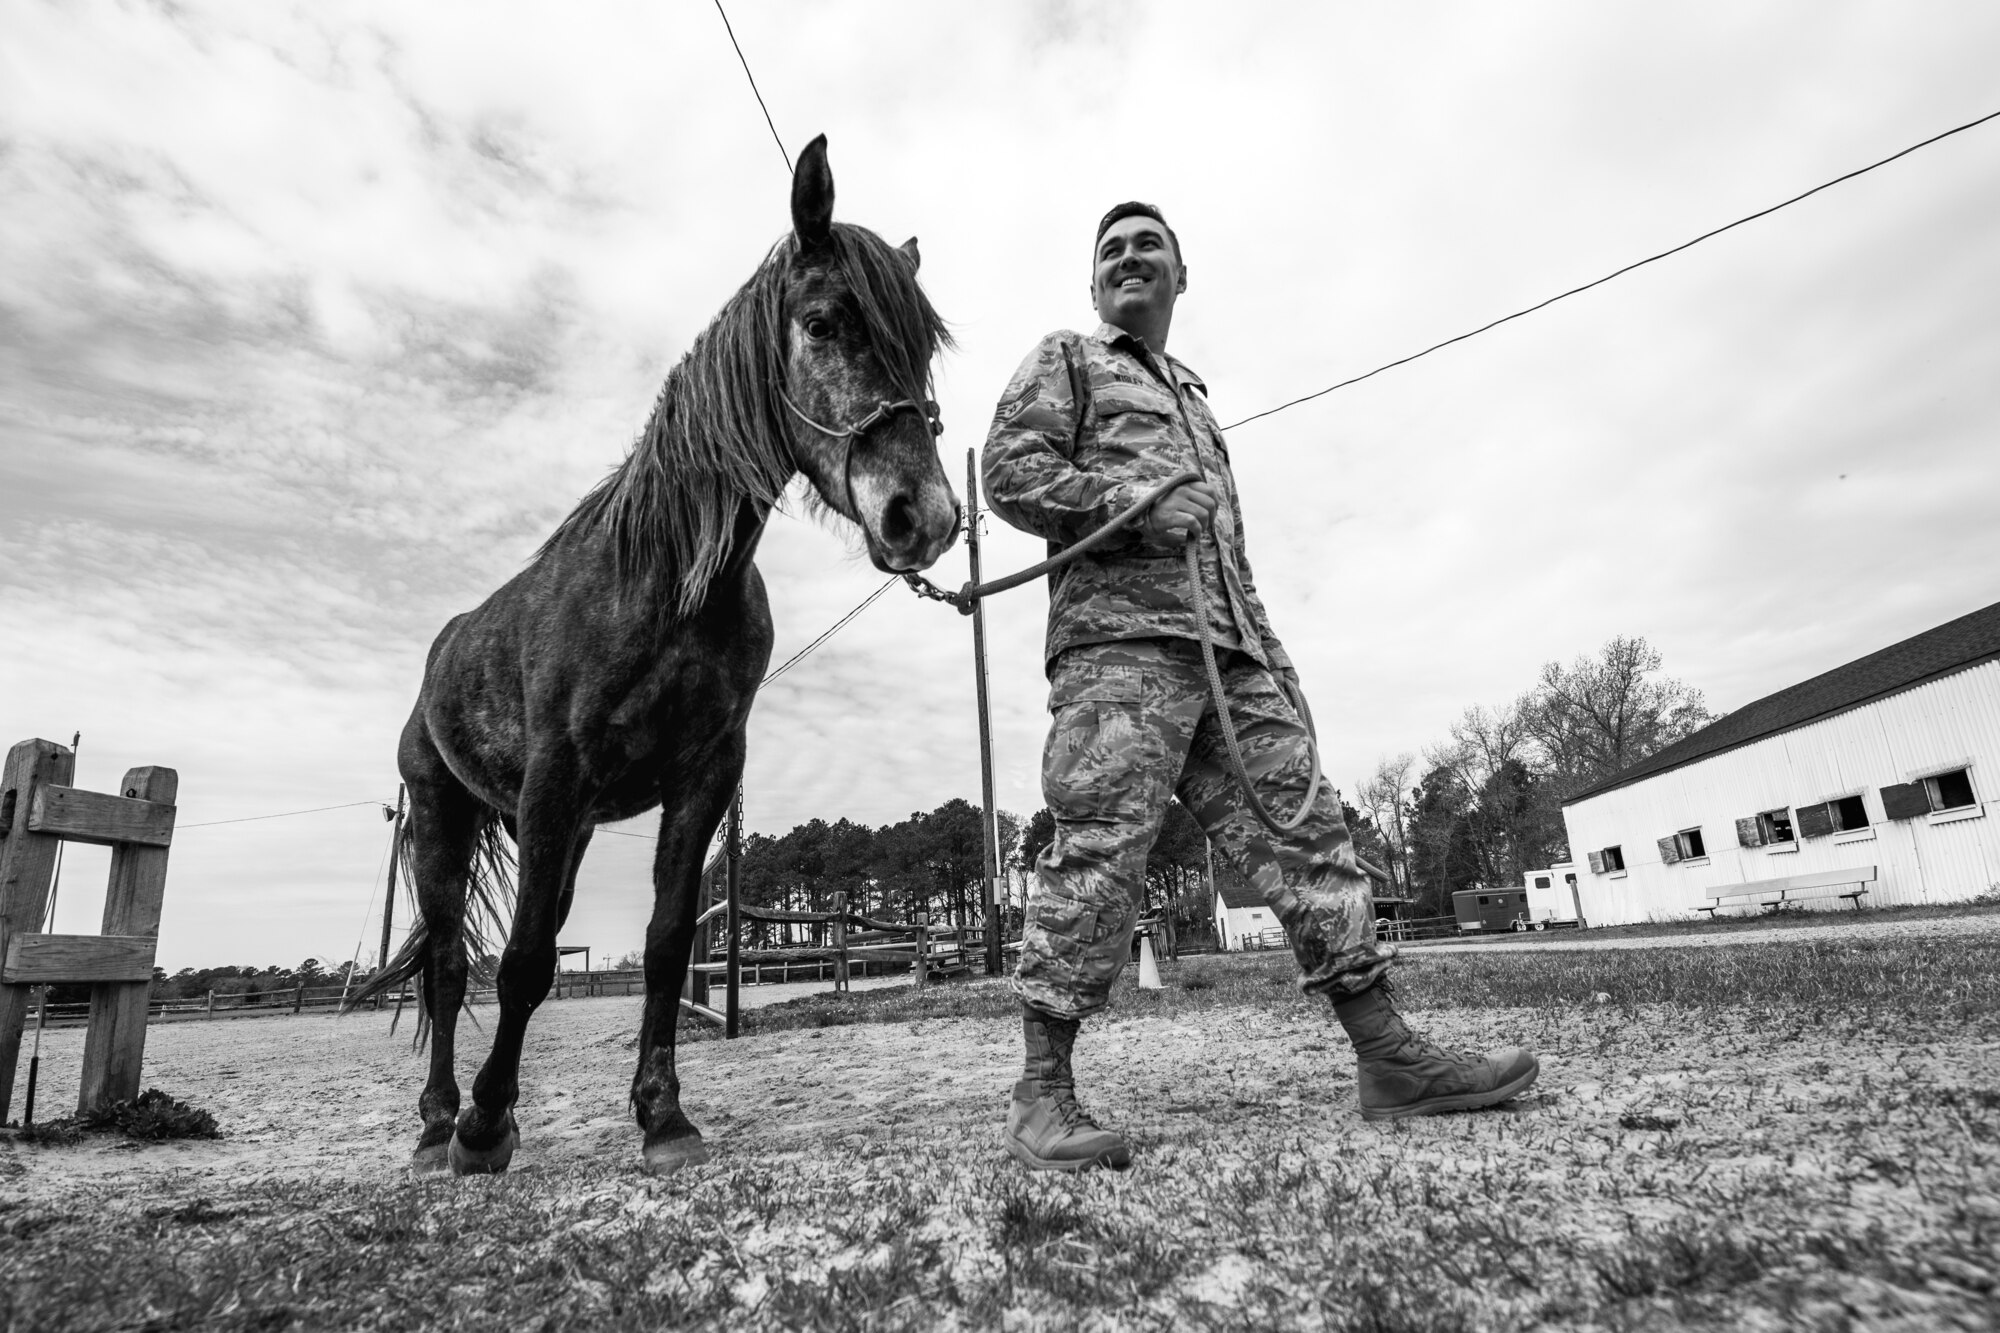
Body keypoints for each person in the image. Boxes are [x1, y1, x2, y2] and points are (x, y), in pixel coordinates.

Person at [981, 202, 1539, 1172]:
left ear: (1178, 275)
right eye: (1109, 249)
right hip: (1119, 651)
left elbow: (1227, 553)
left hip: (1228, 657)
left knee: (1310, 836)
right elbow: (1006, 472)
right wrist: (1129, 505)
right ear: (1091, 282)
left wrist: (1272, 663)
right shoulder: (1066, 359)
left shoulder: (1194, 402)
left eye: (1145, 245)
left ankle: (1388, 1058)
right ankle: (1041, 1093)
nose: (1127, 258)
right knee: (1098, 854)